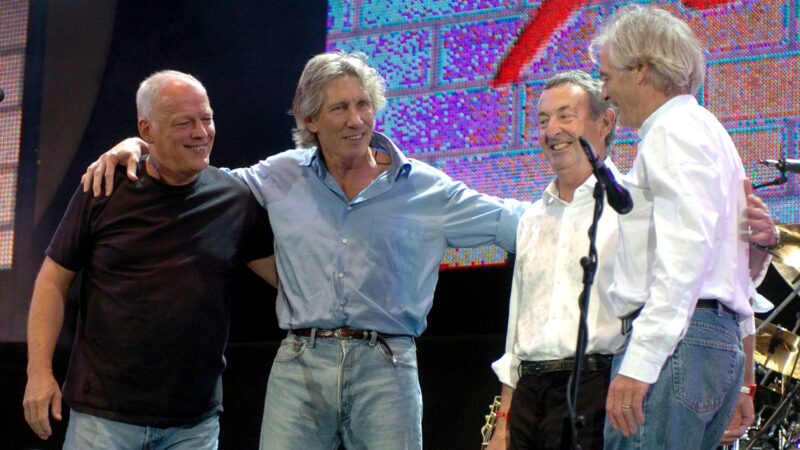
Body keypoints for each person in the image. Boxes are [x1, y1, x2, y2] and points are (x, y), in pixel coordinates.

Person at [80, 52, 525, 450]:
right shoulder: (281, 175)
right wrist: (139, 146)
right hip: (300, 365)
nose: (356, 120)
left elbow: (516, 222)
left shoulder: (425, 188)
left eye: (364, 104)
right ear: (310, 119)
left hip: (386, 368)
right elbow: (200, 180)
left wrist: (568, 198)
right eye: (340, 108)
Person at [23, 70, 275, 449]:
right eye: (184, 123)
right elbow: (52, 280)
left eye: (206, 118)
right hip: (104, 420)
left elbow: (288, 279)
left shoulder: (234, 200)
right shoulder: (105, 186)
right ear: (147, 129)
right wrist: (38, 373)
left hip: (194, 425)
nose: (201, 132)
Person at [589, 5, 772, 448]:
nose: (605, 91)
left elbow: (685, 255)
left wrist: (641, 361)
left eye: (608, 76)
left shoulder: (671, 132)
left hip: (677, 346)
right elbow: (729, 270)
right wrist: (742, 376)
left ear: (642, 70)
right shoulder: (708, 131)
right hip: (707, 343)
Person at [487, 70, 622, 450]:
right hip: (529, 395)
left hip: (596, 388)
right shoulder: (533, 217)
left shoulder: (629, 208)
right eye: (543, 120)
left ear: (605, 122)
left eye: (566, 116)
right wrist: (503, 420)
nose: (552, 131)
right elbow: (517, 326)